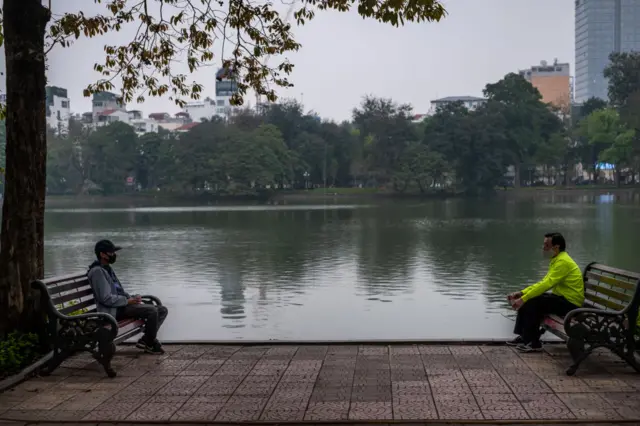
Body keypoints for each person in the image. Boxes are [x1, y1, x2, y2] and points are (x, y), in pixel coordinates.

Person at [506, 232, 584, 353]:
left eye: (547, 245)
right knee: (530, 299)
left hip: (570, 303)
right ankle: (525, 337)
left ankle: (534, 343)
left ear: (556, 247)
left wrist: (524, 299)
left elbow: (547, 285)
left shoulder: (563, 262)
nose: (544, 248)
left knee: (532, 303)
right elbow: (543, 282)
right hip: (561, 298)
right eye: (544, 244)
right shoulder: (558, 259)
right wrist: (522, 293)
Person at [87, 239, 168, 354]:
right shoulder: (97, 272)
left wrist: (133, 298)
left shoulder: (107, 269)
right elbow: (105, 298)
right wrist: (127, 301)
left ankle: (146, 340)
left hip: (121, 306)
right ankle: (149, 342)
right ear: (102, 254)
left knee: (162, 310)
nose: (114, 255)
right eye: (111, 253)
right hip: (113, 311)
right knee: (152, 311)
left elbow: (118, 290)